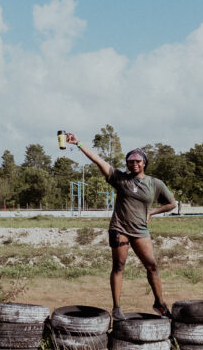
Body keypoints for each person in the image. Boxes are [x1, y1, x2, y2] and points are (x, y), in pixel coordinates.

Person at [66, 133, 177, 321]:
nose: (133, 164)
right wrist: (78, 144)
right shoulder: (119, 178)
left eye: (137, 161)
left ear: (144, 163)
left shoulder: (154, 184)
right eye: (130, 161)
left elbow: (172, 203)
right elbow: (98, 160)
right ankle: (117, 308)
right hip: (119, 229)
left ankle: (159, 303)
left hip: (140, 230)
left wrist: (151, 213)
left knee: (152, 266)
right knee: (118, 266)